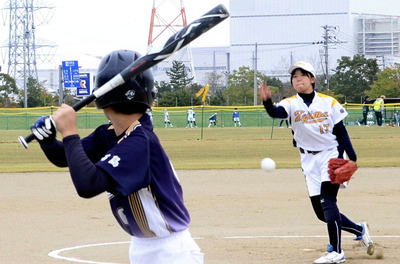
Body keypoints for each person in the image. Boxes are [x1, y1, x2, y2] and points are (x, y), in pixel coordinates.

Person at [30, 50, 203, 264]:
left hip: (170, 252)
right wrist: (48, 141)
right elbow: (66, 158)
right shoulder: (111, 133)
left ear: (102, 98)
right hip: (144, 245)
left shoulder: (141, 142)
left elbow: (88, 184)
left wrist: (69, 132)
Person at [260, 61, 374, 264]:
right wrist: (268, 102)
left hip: (331, 155)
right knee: (322, 213)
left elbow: (341, 132)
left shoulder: (328, 102)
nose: (298, 79)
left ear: (312, 79)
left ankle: (337, 252)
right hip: (308, 159)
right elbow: (275, 113)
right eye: (294, 77)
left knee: (328, 201)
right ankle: (359, 229)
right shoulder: (291, 103)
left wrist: (352, 157)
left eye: (302, 75)